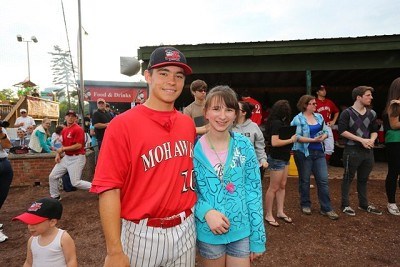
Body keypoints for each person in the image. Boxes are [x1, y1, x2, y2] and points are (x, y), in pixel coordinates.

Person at [90, 46, 197, 267]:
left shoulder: (187, 123)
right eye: (164, 73)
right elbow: (109, 188)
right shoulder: (122, 125)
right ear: (148, 76)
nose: (172, 81)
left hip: (186, 226)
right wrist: (114, 250)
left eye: (179, 75)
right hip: (142, 233)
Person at [194, 86, 266, 266]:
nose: (222, 116)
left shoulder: (244, 146)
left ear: (236, 114)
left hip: (241, 231)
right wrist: (205, 212)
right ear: (206, 112)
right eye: (216, 109)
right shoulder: (193, 150)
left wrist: (258, 237)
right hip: (208, 232)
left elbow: (253, 191)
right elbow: (188, 190)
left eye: (229, 109)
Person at [291, 95, 339, 220]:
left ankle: (326, 208)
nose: (315, 105)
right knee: (305, 180)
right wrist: (313, 140)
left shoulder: (319, 117)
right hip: (304, 153)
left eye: (315, 103)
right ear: (305, 105)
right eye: (313, 103)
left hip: (319, 152)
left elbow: (326, 131)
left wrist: (323, 136)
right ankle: (305, 204)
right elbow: (296, 137)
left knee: (323, 180)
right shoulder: (298, 119)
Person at [338, 86, 382, 216]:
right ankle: (345, 205)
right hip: (351, 150)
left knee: (363, 179)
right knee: (348, 178)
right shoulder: (347, 113)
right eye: (368, 95)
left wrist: (371, 140)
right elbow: (342, 131)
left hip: (368, 151)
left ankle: (363, 204)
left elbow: (374, 130)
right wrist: (361, 140)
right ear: (358, 97)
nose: (371, 97)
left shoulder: (372, 113)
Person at [12, 197, 77, 266]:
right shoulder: (32, 240)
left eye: (34, 222)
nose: (30, 226)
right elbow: (28, 262)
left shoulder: (63, 238)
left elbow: (71, 261)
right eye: (28, 222)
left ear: (52, 222)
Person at [263, 100, 296, 226]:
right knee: (274, 187)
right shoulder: (277, 123)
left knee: (282, 185)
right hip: (277, 158)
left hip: (284, 157)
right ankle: (268, 214)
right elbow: (275, 142)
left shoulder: (279, 122)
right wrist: (291, 139)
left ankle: (280, 211)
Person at [48, 110, 92, 200]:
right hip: (67, 157)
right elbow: (64, 145)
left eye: (73, 116)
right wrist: (58, 154)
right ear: (65, 117)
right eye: (68, 116)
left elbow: (78, 145)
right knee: (52, 176)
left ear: (76, 118)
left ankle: (99, 188)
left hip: (77, 157)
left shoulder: (78, 129)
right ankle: (55, 196)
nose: (70, 117)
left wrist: (63, 149)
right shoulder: (64, 130)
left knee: (75, 183)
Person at [232, 101, 268, 175]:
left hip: (252, 167)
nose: (233, 111)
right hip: (233, 168)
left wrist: (263, 160)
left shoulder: (254, 127)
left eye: (236, 109)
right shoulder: (229, 127)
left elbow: (260, 147)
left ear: (244, 113)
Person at [383, 78, 400, 216]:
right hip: (395, 141)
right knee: (394, 172)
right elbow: (394, 125)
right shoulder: (393, 105)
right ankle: (391, 202)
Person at [315, 85, 340, 163]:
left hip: (327, 125)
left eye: (324, 90)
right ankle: (316, 165)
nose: (324, 91)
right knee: (316, 146)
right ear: (317, 92)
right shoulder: (314, 102)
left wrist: (333, 121)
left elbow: (336, 111)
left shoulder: (329, 102)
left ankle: (324, 165)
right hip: (316, 126)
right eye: (322, 90)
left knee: (330, 147)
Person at [0, 124, 13, 243]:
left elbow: (8, 145)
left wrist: (1, 134)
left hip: (4, 162)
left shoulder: (1, 130)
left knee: (2, 195)